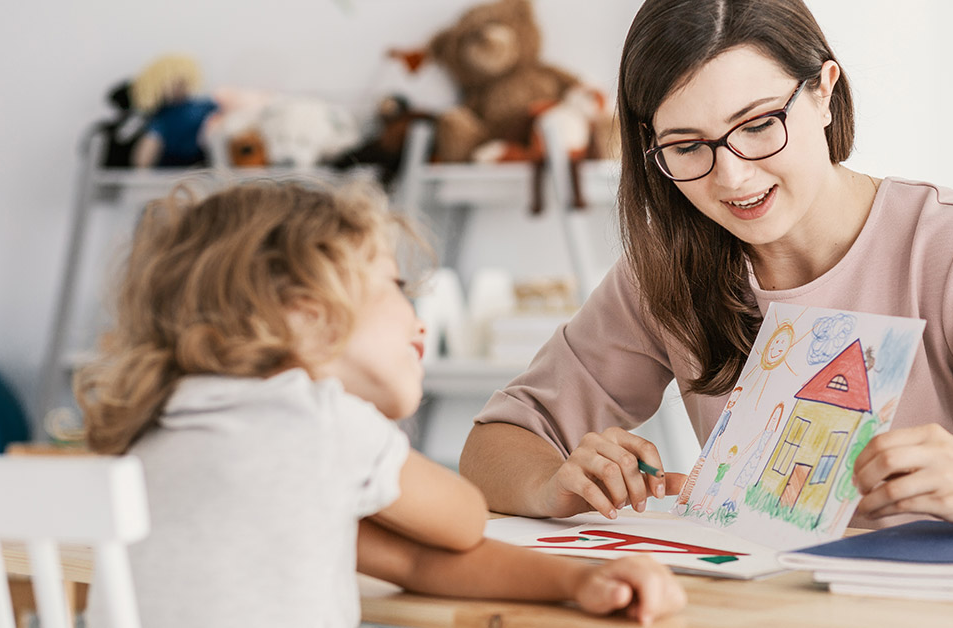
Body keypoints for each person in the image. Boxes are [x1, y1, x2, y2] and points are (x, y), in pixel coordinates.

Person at [459, 0, 953, 539]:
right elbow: (495, 445)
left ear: (823, 91)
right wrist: (554, 482)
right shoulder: (669, 269)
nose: (732, 177)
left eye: (758, 124)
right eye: (687, 145)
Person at [74, 180, 686, 627]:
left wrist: (581, 581)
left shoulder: (160, 430)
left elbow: (410, 562)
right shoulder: (322, 423)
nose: (415, 315)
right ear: (304, 315)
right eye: (394, 287)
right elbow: (462, 521)